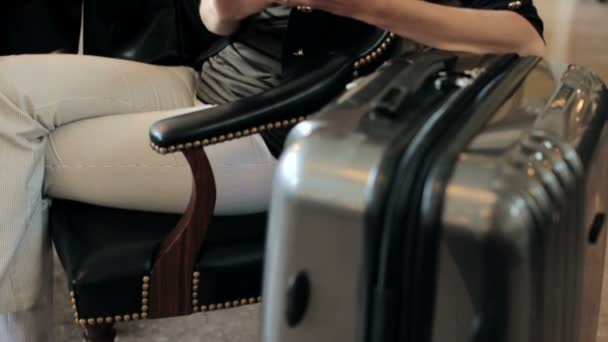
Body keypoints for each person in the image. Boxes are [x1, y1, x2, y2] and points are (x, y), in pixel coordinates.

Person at [0, 0, 544, 341]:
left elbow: (525, 37)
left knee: (18, 150)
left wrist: (365, 5)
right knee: (5, 94)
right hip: (202, 85)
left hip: (270, 131)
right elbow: (212, 16)